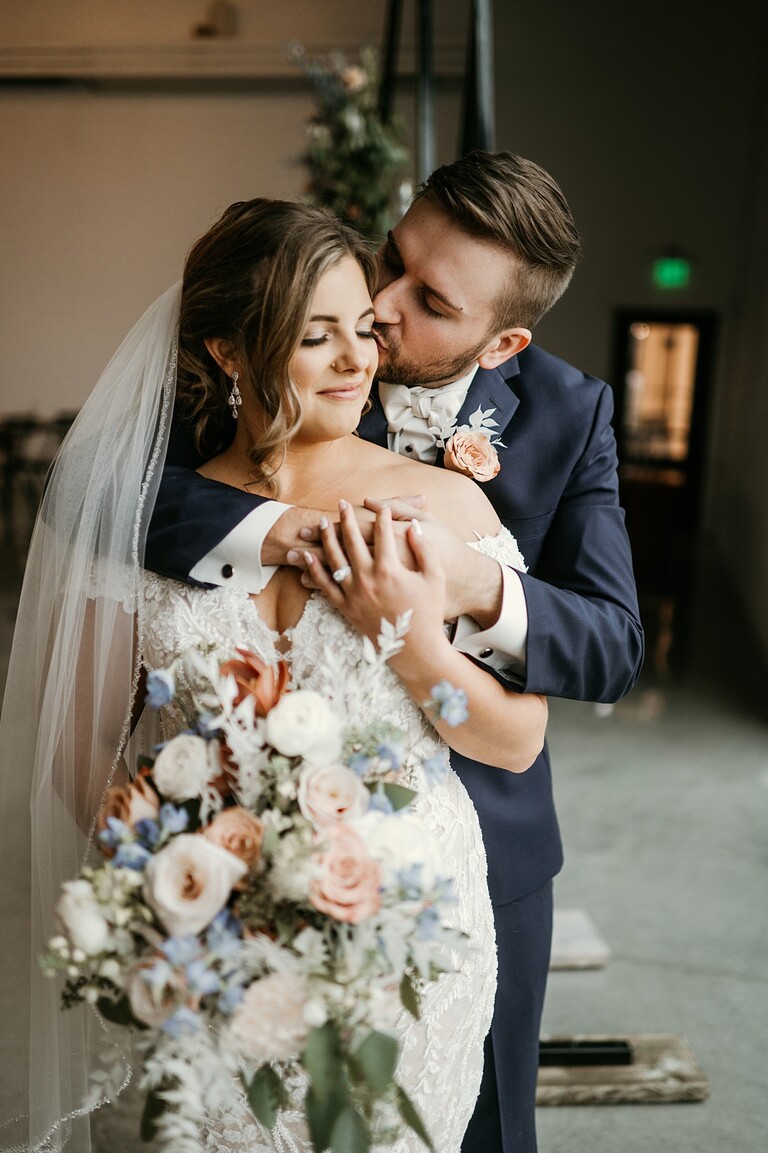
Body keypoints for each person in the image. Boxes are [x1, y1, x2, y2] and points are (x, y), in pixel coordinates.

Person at [0, 199, 547, 1153]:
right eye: (315, 335)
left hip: (405, 943)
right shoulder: (148, 522)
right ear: (229, 351)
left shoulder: (443, 506)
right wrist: (184, 884)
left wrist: (407, 641)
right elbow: (79, 745)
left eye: (363, 329)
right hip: (206, 945)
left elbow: (514, 737)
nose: (356, 359)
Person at [146, 151, 645, 1153]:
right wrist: (293, 531)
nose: (378, 307)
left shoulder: (570, 411)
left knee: (476, 1121)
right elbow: (126, 495)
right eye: (392, 257)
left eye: (430, 300)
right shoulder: (304, 346)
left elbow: (611, 641)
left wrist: (472, 587)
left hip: (477, 844)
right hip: (256, 844)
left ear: (503, 342)